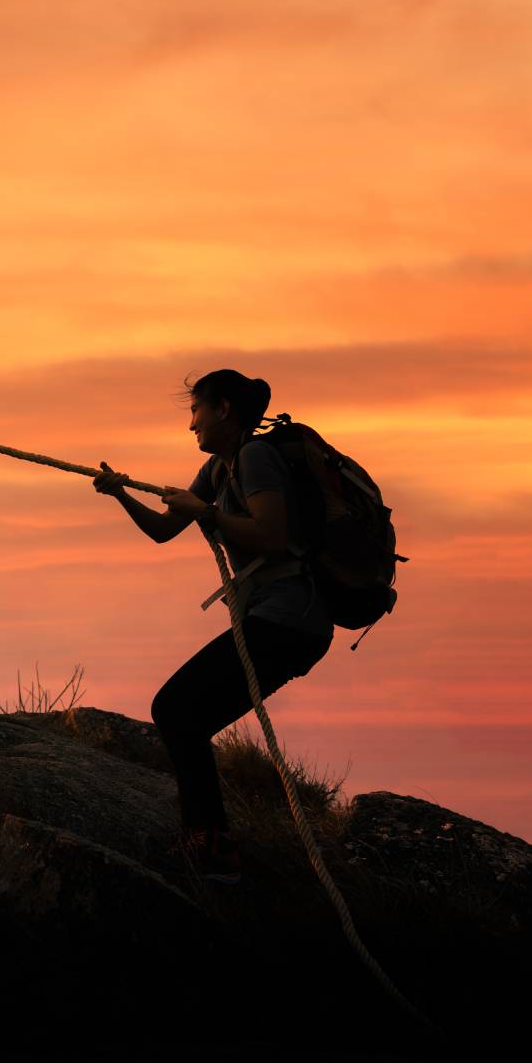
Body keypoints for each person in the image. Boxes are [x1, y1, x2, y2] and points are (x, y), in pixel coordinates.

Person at [93, 370, 333, 883]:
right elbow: (163, 531)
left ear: (223, 409)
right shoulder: (217, 468)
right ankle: (213, 848)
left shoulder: (254, 457)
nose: (191, 426)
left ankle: (209, 846)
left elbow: (271, 535)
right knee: (185, 717)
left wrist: (206, 512)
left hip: (289, 618)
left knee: (175, 709)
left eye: (195, 411)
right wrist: (120, 494)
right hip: (281, 622)